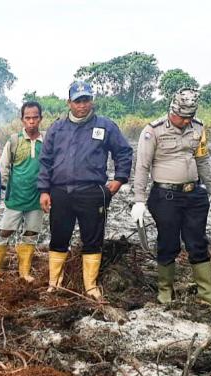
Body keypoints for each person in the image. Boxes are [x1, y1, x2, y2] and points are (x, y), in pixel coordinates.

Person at [38, 81, 133, 299]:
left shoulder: (105, 126)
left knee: (93, 238)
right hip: (61, 192)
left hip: (92, 192)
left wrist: (119, 180)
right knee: (59, 238)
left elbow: (124, 152)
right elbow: (45, 161)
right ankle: (55, 283)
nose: (82, 105)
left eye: (86, 100)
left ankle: (90, 286)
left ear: (92, 101)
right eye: (78, 101)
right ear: (69, 102)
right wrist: (44, 190)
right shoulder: (57, 127)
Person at [131, 87, 211, 306]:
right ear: (172, 111)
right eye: (181, 117)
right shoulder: (153, 130)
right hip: (165, 196)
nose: (184, 121)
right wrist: (139, 200)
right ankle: (165, 291)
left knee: (197, 242)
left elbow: (203, 160)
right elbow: (142, 167)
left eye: (188, 117)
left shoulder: (198, 128)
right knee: (168, 242)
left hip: (193, 195)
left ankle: (207, 293)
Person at [0, 101, 46, 285]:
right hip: (15, 197)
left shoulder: (47, 141)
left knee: (30, 233)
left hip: (37, 198)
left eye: (35, 117)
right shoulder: (13, 141)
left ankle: (24, 272)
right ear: (22, 120)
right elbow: (2, 168)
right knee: (4, 232)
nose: (31, 122)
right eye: (27, 118)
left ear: (40, 119)